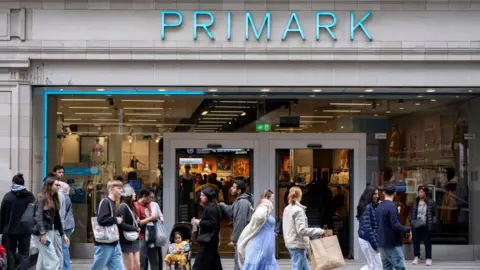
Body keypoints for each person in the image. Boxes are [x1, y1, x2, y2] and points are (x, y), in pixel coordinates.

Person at [282, 186, 324, 270]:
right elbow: (301, 230)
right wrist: (317, 230)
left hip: (292, 242)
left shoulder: (287, 209)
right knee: (298, 267)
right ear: (300, 196)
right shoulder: (298, 210)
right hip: (298, 244)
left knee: (303, 267)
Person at [0, 173, 35, 270]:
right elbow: (34, 213)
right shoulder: (30, 196)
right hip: (25, 230)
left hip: (9, 230)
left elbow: (2, 215)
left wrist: (1, 229)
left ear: (13, 183)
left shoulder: (8, 197)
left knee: (10, 252)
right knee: (24, 254)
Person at [237, 190, 279, 270]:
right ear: (267, 198)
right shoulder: (265, 206)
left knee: (262, 261)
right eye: (272, 198)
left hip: (266, 240)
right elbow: (259, 217)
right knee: (260, 261)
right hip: (262, 241)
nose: (273, 200)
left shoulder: (266, 207)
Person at [218, 179, 253, 270]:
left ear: (239, 191)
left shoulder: (242, 202)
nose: (231, 189)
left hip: (242, 238)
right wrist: (222, 205)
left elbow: (240, 223)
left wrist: (234, 239)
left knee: (239, 264)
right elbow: (231, 211)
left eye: (234, 187)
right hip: (243, 238)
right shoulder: (240, 200)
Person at [34, 178, 68, 270]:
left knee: (43, 257)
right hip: (42, 233)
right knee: (53, 259)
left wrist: (63, 234)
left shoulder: (54, 199)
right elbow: (38, 216)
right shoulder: (42, 198)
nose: (58, 186)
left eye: (59, 185)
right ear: (49, 186)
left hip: (49, 231)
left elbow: (57, 219)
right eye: (56, 185)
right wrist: (43, 233)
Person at [90, 180, 124, 270]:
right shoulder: (105, 202)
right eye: (119, 188)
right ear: (111, 190)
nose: (121, 191)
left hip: (114, 243)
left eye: (121, 188)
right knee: (97, 268)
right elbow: (101, 219)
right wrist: (116, 219)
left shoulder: (112, 203)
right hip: (104, 243)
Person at [376, 183, 411, 270]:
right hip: (392, 243)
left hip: (382, 242)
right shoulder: (392, 207)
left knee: (387, 268)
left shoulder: (379, 207)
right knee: (400, 267)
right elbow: (395, 225)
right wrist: (407, 229)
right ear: (394, 193)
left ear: (383, 193)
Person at [191, 187, 222, 270]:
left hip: (208, 241)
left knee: (199, 265)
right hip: (211, 240)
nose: (200, 197)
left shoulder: (211, 208)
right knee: (214, 264)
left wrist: (199, 222)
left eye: (202, 195)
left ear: (208, 196)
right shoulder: (211, 206)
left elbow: (213, 224)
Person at [357, 186, 382, 270]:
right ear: (369, 194)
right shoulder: (367, 207)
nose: (377, 196)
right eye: (375, 194)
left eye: (377, 194)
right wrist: (375, 246)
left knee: (373, 265)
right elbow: (368, 229)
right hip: (367, 240)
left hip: (366, 239)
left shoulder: (369, 206)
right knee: (377, 266)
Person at [410, 185, 436, 266]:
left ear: (426, 193)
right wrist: (412, 222)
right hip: (416, 225)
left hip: (426, 225)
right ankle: (416, 257)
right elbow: (411, 213)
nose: (420, 193)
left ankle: (428, 258)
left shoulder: (431, 202)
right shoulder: (415, 201)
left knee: (427, 242)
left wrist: (433, 223)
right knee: (416, 242)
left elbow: (434, 214)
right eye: (419, 191)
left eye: (421, 191)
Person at [135, 189, 160, 270]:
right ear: (144, 196)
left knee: (155, 260)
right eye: (150, 198)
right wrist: (151, 218)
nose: (151, 200)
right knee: (142, 260)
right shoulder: (136, 206)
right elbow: (137, 223)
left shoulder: (148, 205)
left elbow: (149, 218)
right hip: (141, 237)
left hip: (150, 236)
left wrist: (154, 218)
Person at [117, 193, 141, 270]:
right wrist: (135, 229)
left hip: (134, 239)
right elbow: (121, 224)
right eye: (133, 192)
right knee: (129, 267)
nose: (135, 194)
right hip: (126, 239)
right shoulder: (122, 206)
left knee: (137, 266)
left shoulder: (132, 206)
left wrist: (137, 221)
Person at [58, 182, 75, 270]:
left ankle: (66, 267)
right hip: (68, 224)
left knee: (63, 246)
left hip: (65, 225)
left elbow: (61, 213)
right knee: (64, 246)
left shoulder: (62, 196)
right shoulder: (66, 196)